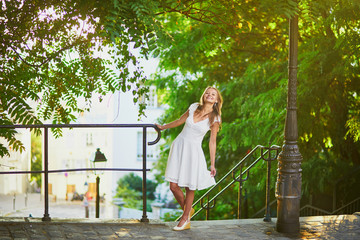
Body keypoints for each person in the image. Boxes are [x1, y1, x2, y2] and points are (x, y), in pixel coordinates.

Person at [156, 86, 223, 231]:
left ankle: (185, 219)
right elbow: (180, 120)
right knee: (173, 185)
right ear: (203, 95)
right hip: (179, 147)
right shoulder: (193, 107)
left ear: (217, 100)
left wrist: (212, 164)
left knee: (189, 186)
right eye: (207, 93)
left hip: (193, 152)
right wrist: (163, 127)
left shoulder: (215, 118)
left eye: (213, 94)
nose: (209, 95)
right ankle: (188, 210)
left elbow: (212, 142)